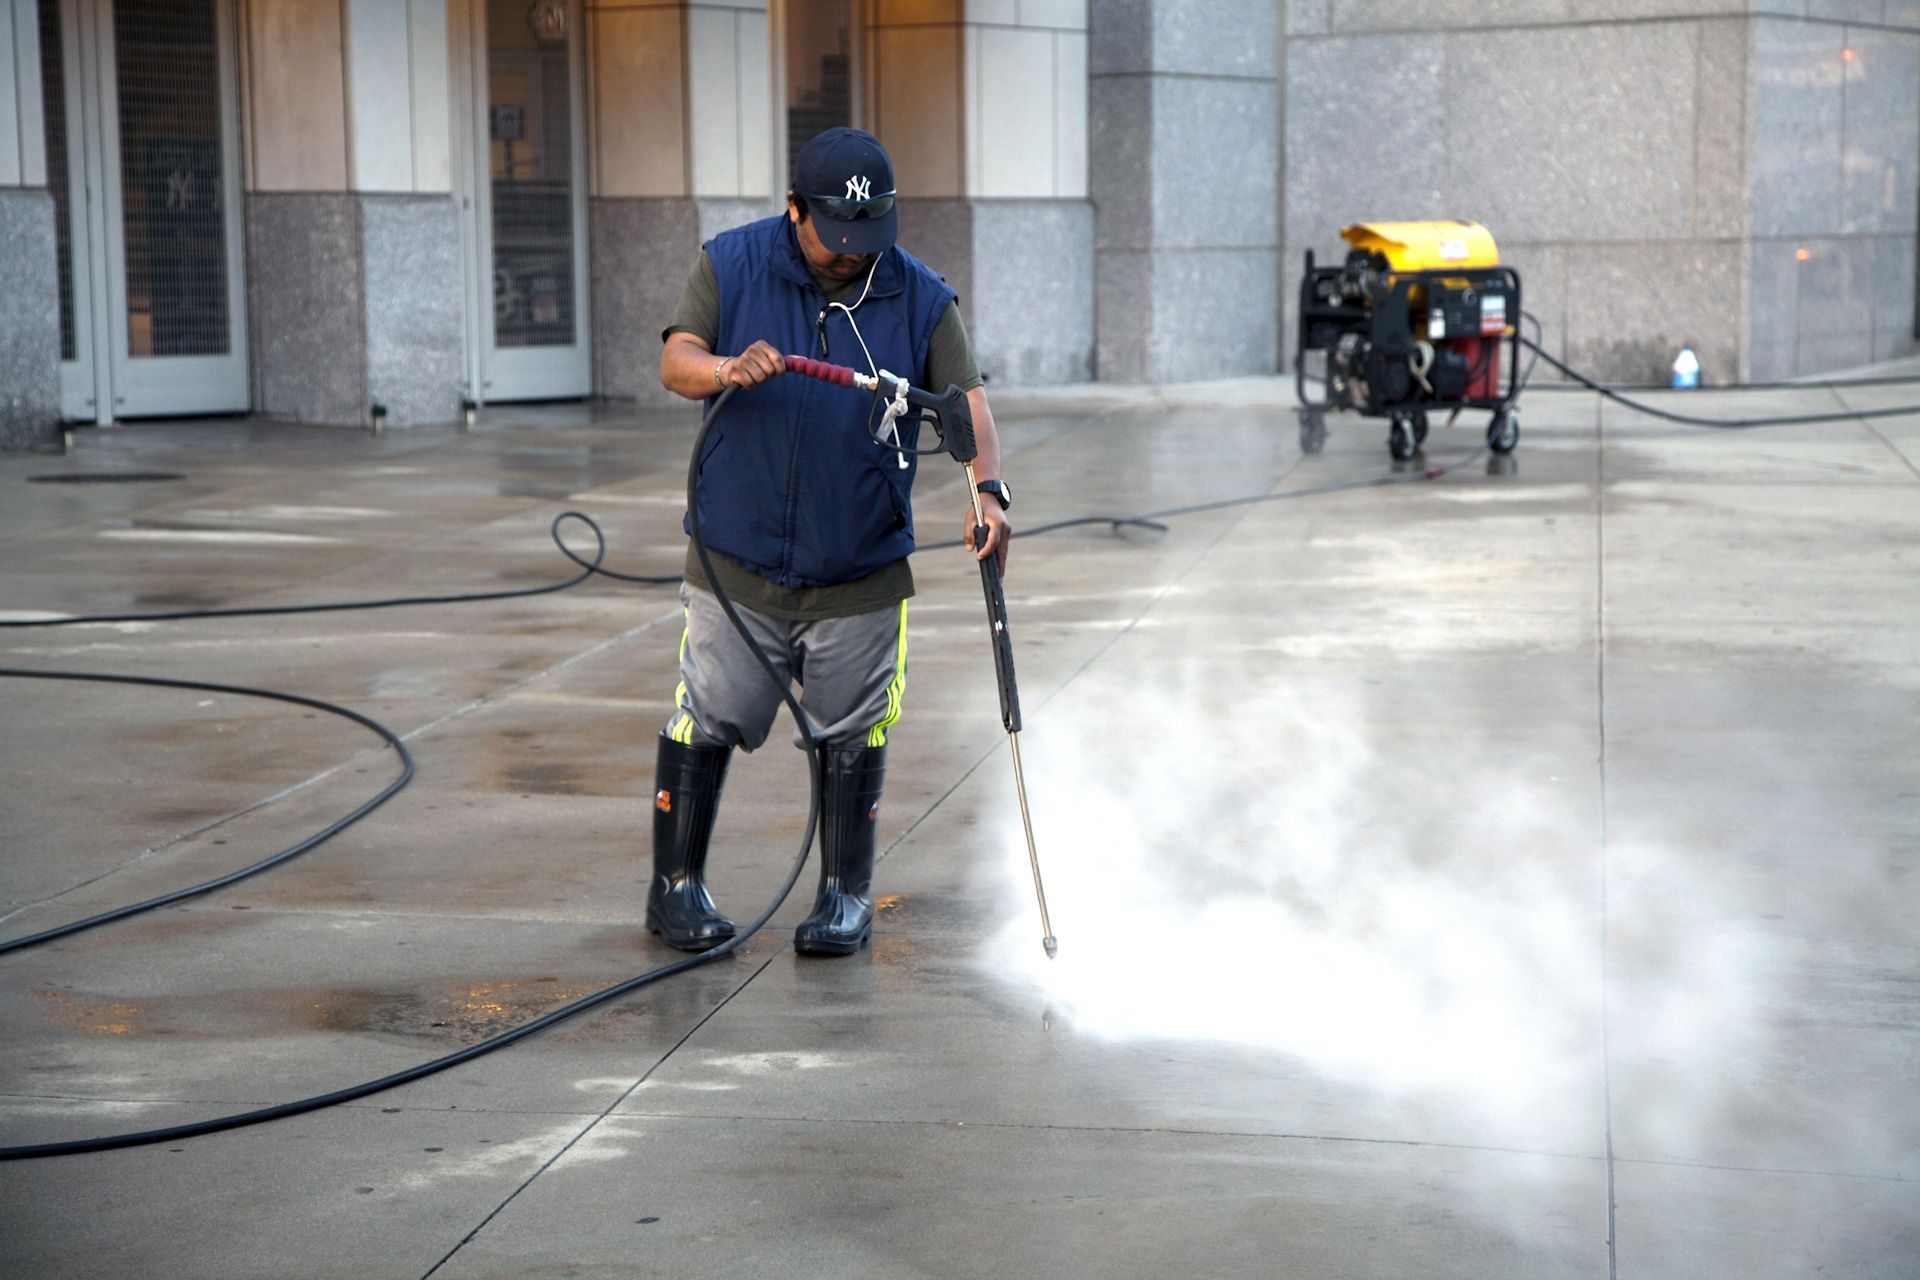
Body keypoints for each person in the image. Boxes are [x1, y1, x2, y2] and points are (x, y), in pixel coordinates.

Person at [651, 128, 1013, 957]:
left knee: (854, 729)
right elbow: (677, 360)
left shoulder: (921, 297)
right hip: (737, 559)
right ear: (794, 209)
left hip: (859, 562)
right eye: (835, 235)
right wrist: (724, 368)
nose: (853, 252)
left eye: (868, 234)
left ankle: (844, 897)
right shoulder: (732, 264)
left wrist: (988, 495)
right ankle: (675, 888)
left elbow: (968, 405)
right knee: (710, 715)